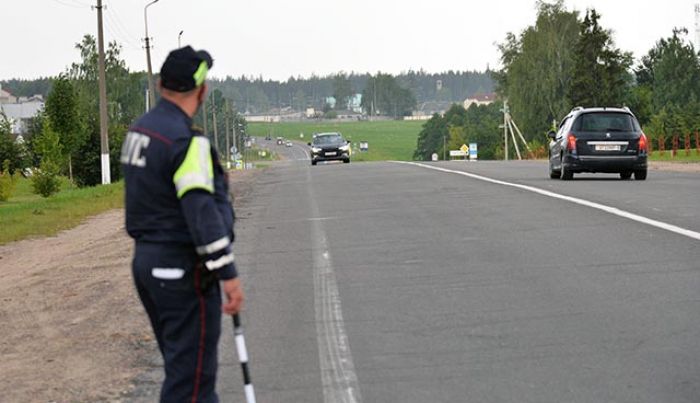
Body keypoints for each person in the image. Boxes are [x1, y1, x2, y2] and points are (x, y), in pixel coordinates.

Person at [121, 46, 244, 402]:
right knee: (191, 384)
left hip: (146, 265)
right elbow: (200, 213)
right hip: (181, 270)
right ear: (202, 92)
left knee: (185, 372)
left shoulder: (139, 131)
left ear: (160, 84)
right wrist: (229, 275)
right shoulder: (185, 141)